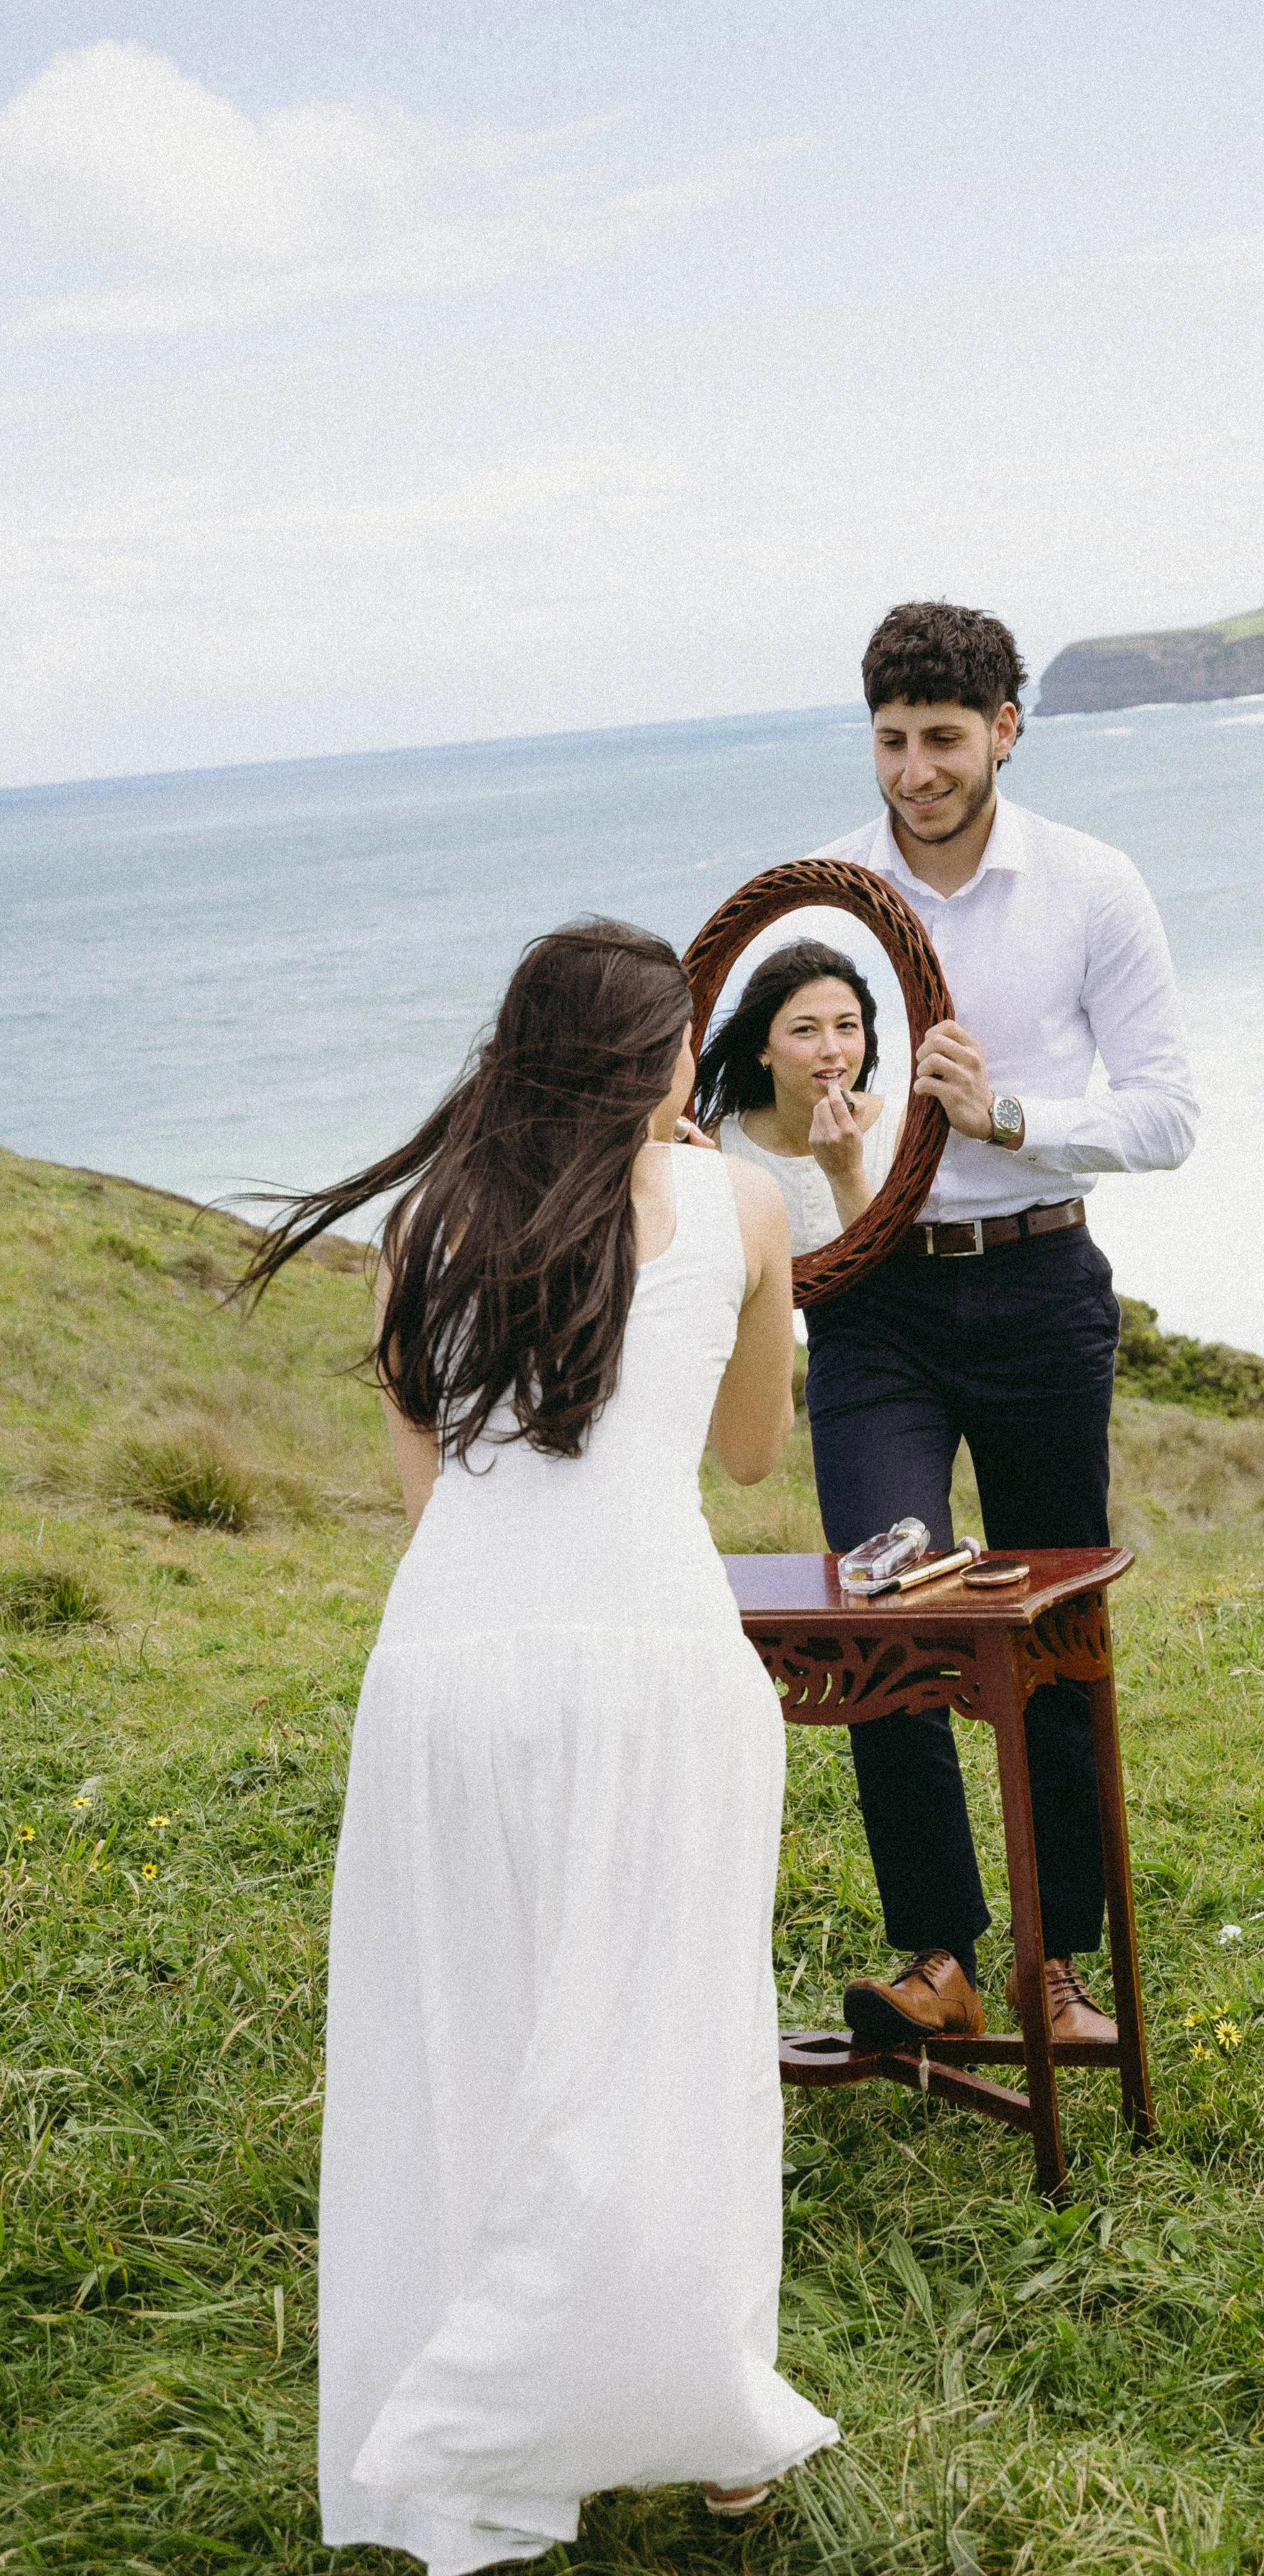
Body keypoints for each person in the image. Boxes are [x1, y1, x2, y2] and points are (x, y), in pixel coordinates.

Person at [241, 919, 837, 2575]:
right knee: (673, 2030)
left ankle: (468, 2445)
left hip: (446, 1661)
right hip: (651, 1659)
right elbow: (746, 1450)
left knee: (463, 2037)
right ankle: (706, 2421)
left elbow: (430, 1487)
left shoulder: (423, 1222)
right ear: (656, 1057)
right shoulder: (744, 1202)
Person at [806, 603, 1198, 2053]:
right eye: (893, 741)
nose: (914, 770)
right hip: (872, 1298)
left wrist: (1006, 1116)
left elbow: (1166, 1114)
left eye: (943, 740)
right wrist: (818, 1130)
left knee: (1049, 1642)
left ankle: (1060, 1965)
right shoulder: (821, 895)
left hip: (1038, 1289)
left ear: (1005, 732)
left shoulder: (1094, 887)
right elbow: (742, 1089)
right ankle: (937, 1960)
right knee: (878, 1615)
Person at [696, 938, 899, 1255]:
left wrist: (846, 1174)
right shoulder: (716, 1148)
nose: (832, 1050)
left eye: (846, 1026)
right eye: (805, 1030)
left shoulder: (902, 1130)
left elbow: (901, 1284)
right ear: (763, 1048)